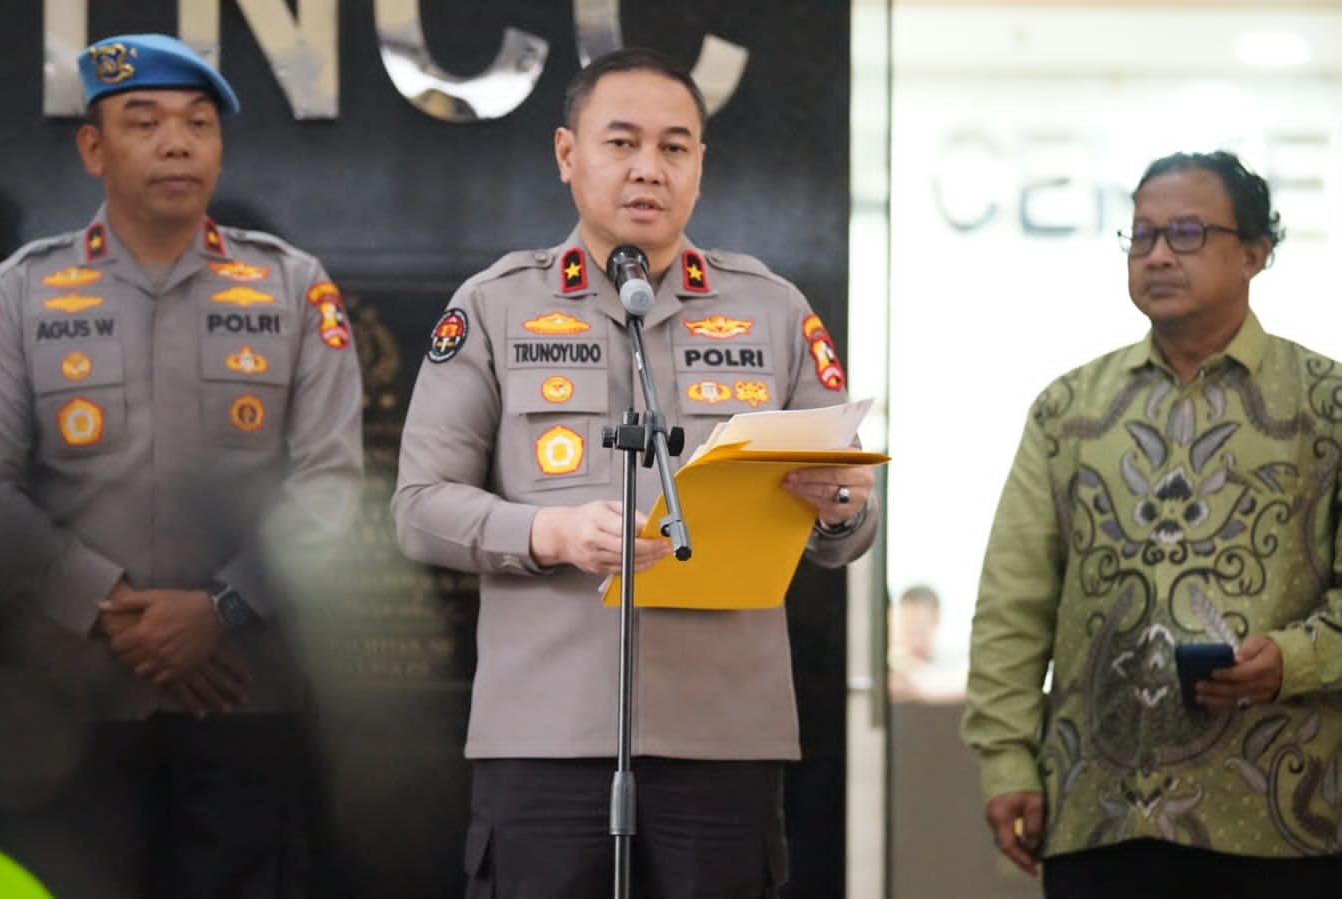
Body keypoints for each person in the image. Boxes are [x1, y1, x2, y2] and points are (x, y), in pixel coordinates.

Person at [392, 47, 879, 898]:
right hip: (545, 734)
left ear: (699, 164)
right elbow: (418, 508)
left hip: (723, 735)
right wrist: (548, 531)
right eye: (621, 143)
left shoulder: (772, 309)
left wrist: (841, 508)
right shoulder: (494, 305)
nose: (648, 168)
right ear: (566, 154)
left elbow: (846, 528)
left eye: (673, 147)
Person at [0, 33, 363, 897]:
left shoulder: (293, 288)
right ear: (93, 148)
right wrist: (115, 612)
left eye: (198, 124)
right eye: (145, 123)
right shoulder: (19, 293)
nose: (177, 144)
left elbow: (330, 484)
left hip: (246, 700)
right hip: (71, 705)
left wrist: (220, 608)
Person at [962, 150, 1342, 898]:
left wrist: (1290, 660)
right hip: (1097, 815)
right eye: (1141, 236)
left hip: (1285, 815)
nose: (1158, 254)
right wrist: (1006, 760)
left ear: (1254, 253)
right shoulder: (1069, 409)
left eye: (1187, 233)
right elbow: (1013, 602)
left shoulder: (1326, 404)